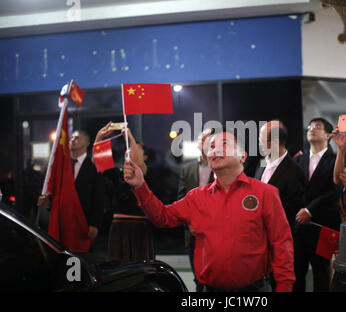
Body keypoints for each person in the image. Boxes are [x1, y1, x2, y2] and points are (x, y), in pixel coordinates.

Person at [124, 130, 295, 292]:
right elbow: (162, 217)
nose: (216, 149)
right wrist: (140, 186)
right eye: (212, 147)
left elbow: (281, 243)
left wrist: (284, 286)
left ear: (242, 156)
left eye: (224, 144)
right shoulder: (196, 197)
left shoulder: (265, 193)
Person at [93, 122, 155, 262]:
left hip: (139, 226)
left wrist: (130, 137)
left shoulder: (145, 172)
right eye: (128, 150)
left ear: (145, 156)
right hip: (119, 226)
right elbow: (99, 162)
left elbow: (139, 165)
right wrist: (99, 138)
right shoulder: (117, 173)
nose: (130, 151)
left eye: (135, 150)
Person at [293, 118, 341, 292]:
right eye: (310, 127)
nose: (312, 129)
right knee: (296, 272)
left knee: (321, 273)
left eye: (318, 127)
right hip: (300, 225)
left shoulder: (335, 159)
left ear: (328, 135)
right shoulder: (299, 160)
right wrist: (300, 212)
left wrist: (309, 210)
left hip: (323, 224)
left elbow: (334, 191)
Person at [177, 128, 215, 292]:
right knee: (198, 280)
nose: (202, 141)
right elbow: (181, 200)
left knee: (214, 280)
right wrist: (190, 224)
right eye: (200, 139)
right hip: (192, 234)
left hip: (215, 232)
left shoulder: (220, 166)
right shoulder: (187, 169)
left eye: (207, 139)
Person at [255, 120, 306, 235]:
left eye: (262, 140)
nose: (259, 144)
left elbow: (291, 212)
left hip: (278, 235)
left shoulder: (295, 172)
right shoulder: (261, 164)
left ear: (275, 142)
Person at [69, 130, 106, 245]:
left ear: (86, 143)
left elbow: (98, 196)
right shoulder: (64, 165)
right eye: (72, 138)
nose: (73, 140)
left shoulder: (93, 166)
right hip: (66, 218)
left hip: (84, 219)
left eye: (77, 138)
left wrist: (94, 223)